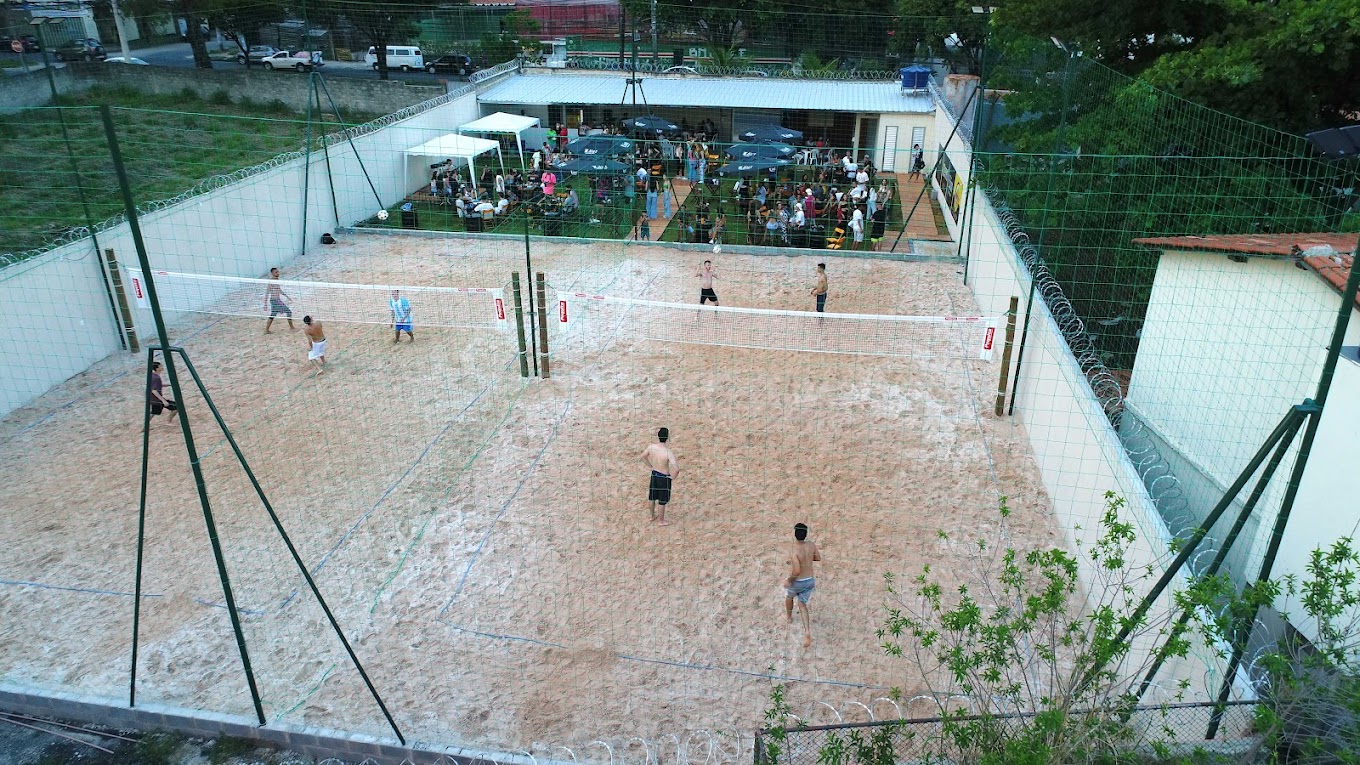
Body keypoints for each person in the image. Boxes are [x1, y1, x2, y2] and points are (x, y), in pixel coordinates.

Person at [784, 522, 822, 648]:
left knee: (789, 597)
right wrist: (808, 558)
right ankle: (807, 632)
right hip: (810, 580)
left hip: (798, 581)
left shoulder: (794, 550)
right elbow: (818, 558)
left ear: (795, 534)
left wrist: (789, 580)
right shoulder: (811, 545)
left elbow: (796, 571)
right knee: (802, 604)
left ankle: (789, 617)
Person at [641, 427, 679, 526]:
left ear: (658, 436)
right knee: (662, 501)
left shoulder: (651, 447)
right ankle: (661, 521)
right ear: (667, 438)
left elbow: (643, 456)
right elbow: (676, 469)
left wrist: (650, 466)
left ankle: (652, 516)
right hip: (664, 478)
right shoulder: (668, 452)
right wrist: (673, 477)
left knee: (652, 497)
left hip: (654, 474)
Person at [263, 267, 294, 334]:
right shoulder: (271, 281)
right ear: (272, 273)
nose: (278, 273)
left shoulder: (277, 280)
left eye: (278, 272)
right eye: (276, 272)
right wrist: (265, 304)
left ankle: (266, 330)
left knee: (272, 315)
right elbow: (267, 292)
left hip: (276, 300)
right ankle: (292, 328)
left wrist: (286, 296)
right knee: (288, 312)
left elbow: (279, 290)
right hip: (275, 301)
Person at [147, 360, 178, 424]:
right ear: (157, 368)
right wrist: (163, 401)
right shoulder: (157, 378)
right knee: (176, 407)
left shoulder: (152, 375)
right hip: (156, 399)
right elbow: (154, 390)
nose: (162, 367)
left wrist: (166, 385)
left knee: (154, 412)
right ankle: (169, 422)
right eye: (160, 366)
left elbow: (153, 385)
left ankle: (145, 426)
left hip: (153, 399)